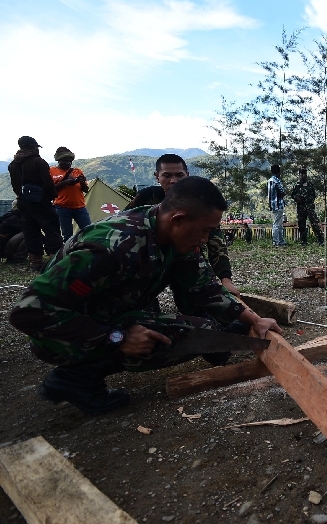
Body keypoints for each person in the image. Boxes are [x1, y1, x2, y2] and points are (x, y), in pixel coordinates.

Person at [8, 176, 282, 416]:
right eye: (206, 230)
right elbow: (28, 312)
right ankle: (75, 378)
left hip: (108, 315)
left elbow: (206, 288)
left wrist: (254, 319)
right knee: (178, 337)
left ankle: (92, 361)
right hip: (62, 335)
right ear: (178, 219)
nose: (205, 239)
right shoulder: (111, 247)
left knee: (205, 330)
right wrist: (117, 338)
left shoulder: (176, 237)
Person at [125, 153, 241, 296]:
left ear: (187, 175)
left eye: (179, 175)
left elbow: (216, 242)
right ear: (157, 176)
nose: (173, 181)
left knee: (201, 298)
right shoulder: (146, 197)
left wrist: (225, 279)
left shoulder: (200, 202)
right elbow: (125, 223)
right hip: (149, 257)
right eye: (167, 175)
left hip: (186, 255)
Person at [7, 136, 63, 271]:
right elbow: (48, 184)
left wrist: (21, 196)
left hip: (22, 202)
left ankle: (35, 262)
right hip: (41, 202)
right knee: (51, 229)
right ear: (33, 147)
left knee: (30, 231)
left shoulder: (13, 164)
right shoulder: (38, 162)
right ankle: (54, 261)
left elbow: (15, 185)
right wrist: (51, 196)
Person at [49, 146, 91, 241]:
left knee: (88, 230)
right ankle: (69, 252)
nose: (68, 163)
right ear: (59, 161)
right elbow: (50, 189)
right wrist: (66, 182)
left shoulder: (77, 171)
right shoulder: (52, 171)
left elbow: (86, 189)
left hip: (80, 206)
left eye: (70, 161)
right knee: (67, 234)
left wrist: (81, 181)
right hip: (61, 207)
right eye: (65, 161)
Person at [290, 169, 324, 246]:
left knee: (315, 224)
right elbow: (292, 195)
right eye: (301, 174)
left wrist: (306, 199)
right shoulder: (296, 185)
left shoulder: (310, 184)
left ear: (306, 175)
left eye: (304, 174)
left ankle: (321, 240)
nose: (303, 176)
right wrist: (296, 198)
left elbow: (313, 196)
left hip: (309, 207)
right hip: (300, 208)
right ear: (299, 175)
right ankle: (303, 241)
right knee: (301, 225)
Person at [267, 164, 288, 247]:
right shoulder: (276, 181)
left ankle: (280, 241)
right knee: (277, 224)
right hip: (278, 205)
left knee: (278, 223)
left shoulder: (270, 180)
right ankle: (277, 241)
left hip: (273, 205)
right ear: (279, 172)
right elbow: (282, 192)